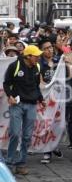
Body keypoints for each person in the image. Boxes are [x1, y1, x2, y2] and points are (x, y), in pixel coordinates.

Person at [3, 45, 46, 175]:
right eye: (36, 56)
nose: (38, 58)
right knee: (15, 133)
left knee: (27, 137)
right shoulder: (15, 66)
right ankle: (9, 163)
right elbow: (6, 83)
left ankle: (21, 164)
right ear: (28, 56)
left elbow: (36, 86)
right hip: (17, 104)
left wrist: (41, 99)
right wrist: (9, 95)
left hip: (32, 105)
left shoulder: (37, 68)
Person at [38, 39, 63, 164]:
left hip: (59, 97)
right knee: (47, 123)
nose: (50, 49)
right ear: (42, 50)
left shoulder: (59, 61)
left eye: (51, 47)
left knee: (59, 124)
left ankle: (54, 145)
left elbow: (66, 75)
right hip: (45, 98)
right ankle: (46, 151)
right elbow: (40, 81)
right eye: (46, 48)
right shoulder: (39, 63)